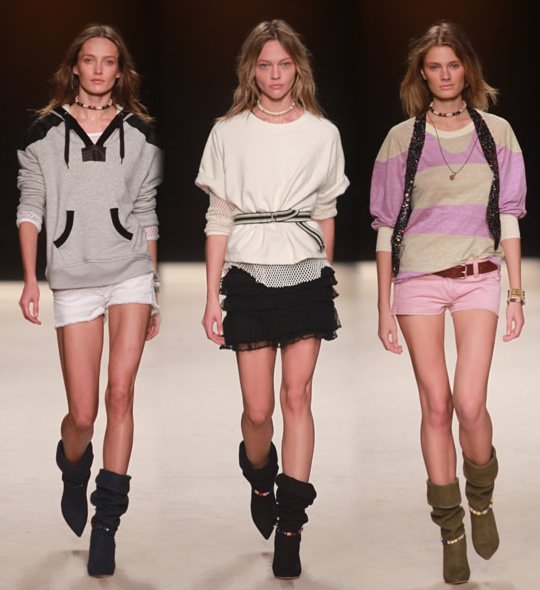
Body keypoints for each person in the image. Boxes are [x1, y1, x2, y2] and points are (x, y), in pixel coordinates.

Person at [370, 21, 526, 584]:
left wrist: (515, 292)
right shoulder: (401, 138)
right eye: (434, 66)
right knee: (435, 404)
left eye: (453, 65)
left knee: (470, 402)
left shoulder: (497, 132)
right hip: (417, 281)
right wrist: (383, 306)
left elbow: (509, 213)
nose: (444, 75)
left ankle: (480, 496)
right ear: (421, 73)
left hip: (479, 275)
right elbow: (385, 226)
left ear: (467, 69)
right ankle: (450, 528)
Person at [196, 19, 349, 580]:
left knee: (297, 396)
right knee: (258, 413)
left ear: (297, 69)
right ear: (251, 71)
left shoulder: (322, 133)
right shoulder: (227, 133)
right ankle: (261, 476)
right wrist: (211, 296)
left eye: (284, 64)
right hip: (248, 274)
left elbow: (327, 211)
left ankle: (291, 526)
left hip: (305, 271)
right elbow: (218, 217)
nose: (276, 74)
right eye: (265, 65)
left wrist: (324, 270)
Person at [16, 24, 162, 577]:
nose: (99, 69)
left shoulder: (141, 135)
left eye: (108, 61)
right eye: (89, 60)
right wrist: (30, 279)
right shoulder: (43, 133)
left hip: (129, 275)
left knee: (120, 394)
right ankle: (73, 467)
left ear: (120, 71)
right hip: (73, 277)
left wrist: (153, 289)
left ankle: (107, 523)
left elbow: (146, 212)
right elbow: (31, 206)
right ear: (74, 67)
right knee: (83, 414)